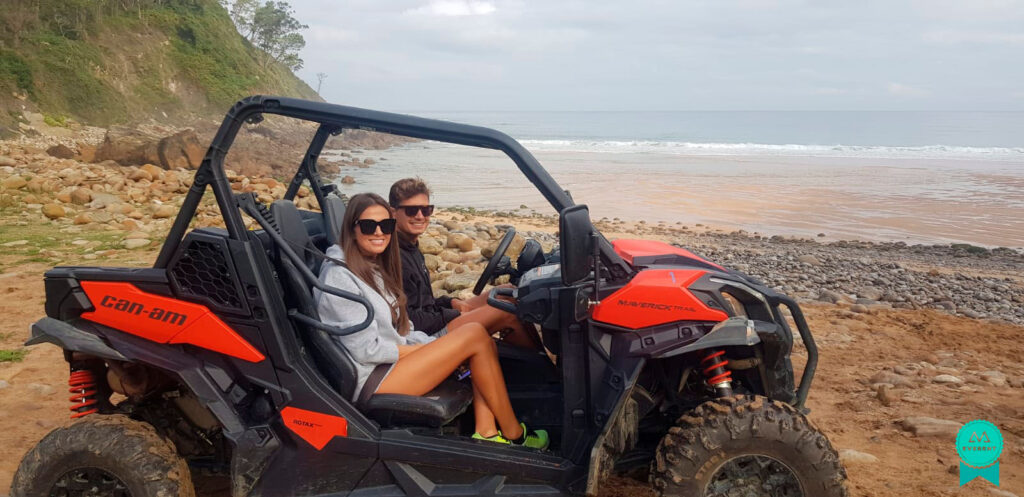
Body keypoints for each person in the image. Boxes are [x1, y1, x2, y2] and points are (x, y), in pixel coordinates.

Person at [315, 192, 548, 449]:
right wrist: (427, 349)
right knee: (473, 334)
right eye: (369, 225)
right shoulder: (339, 278)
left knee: (480, 338)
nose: (379, 232)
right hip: (373, 378)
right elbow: (366, 350)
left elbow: (403, 328)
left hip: (388, 364)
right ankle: (515, 435)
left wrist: (435, 347)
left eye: (386, 225)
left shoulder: (370, 267)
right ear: (352, 229)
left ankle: (487, 432)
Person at [389, 178, 540, 349]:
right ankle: (544, 370)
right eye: (411, 210)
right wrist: (453, 314)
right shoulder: (395, 257)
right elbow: (409, 319)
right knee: (506, 311)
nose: (420, 216)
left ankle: (529, 361)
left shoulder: (411, 247)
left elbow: (425, 301)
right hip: (423, 337)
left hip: (431, 320)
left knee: (507, 293)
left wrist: (449, 302)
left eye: (426, 210)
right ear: (393, 213)